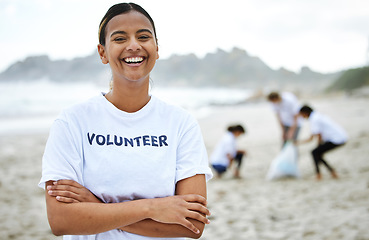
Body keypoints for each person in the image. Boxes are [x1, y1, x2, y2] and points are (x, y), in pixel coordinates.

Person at [38, 3, 213, 239]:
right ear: (103, 52)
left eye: (143, 36)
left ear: (157, 49)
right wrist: (153, 208)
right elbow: (61, 220)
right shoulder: (72, 122)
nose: (133, 45)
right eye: (120, 38)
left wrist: (96, 206)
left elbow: (192, 225)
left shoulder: (181, 124)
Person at [297, 105, 347, 180]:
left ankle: (319, 174)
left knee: (315, 153)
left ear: (305, 113)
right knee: (317, 153)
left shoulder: (314, 119)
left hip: (336, 139)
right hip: (341, 137)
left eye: (302, 114)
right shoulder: (317, 115)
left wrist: (318, 145)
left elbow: (317, 135)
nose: (302, 117)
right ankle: (332, 172)